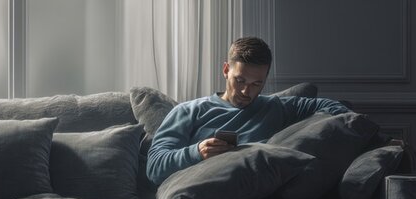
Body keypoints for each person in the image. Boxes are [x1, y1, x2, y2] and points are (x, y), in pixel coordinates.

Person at [146, 37, 350, 185]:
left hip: (260, 191)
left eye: (256, 84)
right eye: (240, 80)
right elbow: (154, 167)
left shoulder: (276, 106)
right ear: (226, 70)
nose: (246, 91)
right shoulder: (189, 111)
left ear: (265, 79)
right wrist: (196, 152)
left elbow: (338, 110)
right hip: (204, 189)